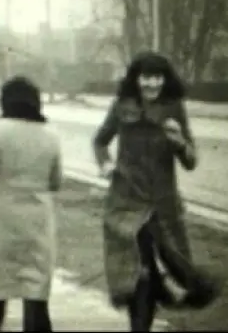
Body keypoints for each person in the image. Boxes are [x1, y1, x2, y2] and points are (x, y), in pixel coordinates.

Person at [92, 51, 221, 331]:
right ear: (136, 80)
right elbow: (100, 141)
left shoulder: (174, 108)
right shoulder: (122, 106)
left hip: (163, 206)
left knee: (172, 268)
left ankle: (159, 298)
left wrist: (178, 142)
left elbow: (190, 161)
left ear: (165, 80)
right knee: (140, 271)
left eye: (157, 77)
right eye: (146, 77)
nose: (151, 84)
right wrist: (105, 163)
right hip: (127, 203)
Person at [0, 76, 62, 332]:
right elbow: (56, 181)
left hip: (1, 221)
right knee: (36, 299)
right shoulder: (51, 135)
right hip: (37, 224)